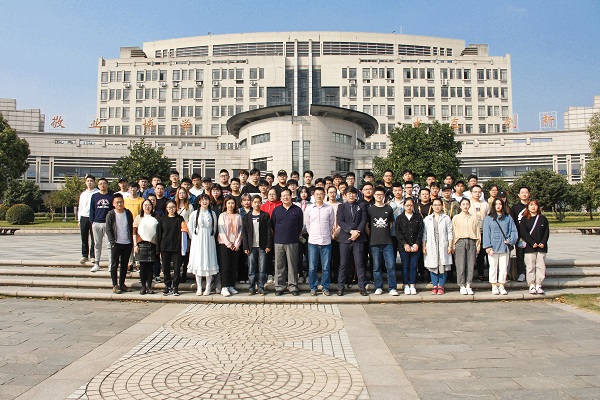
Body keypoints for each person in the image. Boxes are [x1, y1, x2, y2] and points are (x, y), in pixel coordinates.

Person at [336, 186, 368, 296]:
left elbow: (364, 220)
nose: (351, 195)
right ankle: (340, 287)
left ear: (356, 195)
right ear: (344, 195)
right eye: (349, 193)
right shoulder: (341, 206)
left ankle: (362, 287)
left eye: (353, 193)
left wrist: (357, 232)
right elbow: (340, 221)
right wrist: (351, 231)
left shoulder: (361, 205)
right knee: (343, 263)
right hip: (345, 239)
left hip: (359, 238)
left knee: (359, 263)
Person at [271, 189, 304, 296]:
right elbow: (273, 225)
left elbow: (300, 225)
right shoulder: (276, 210)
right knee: (279, 265)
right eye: (283, 196)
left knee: (292, 265)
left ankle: (293, 286)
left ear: (291, 197)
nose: (285, 197)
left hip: (292, 241)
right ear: (280, 198)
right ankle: (279, 287)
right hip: (279, 241)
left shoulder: (297, 210)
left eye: (287, 195)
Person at [304, 187, 335, 296]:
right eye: (317, 194)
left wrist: (326, 233)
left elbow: (331, 223)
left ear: (324, 195)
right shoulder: (309, 209)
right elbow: (307, 224)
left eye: (321, 194)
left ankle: (325, 287)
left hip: (326, 241)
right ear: (313, 196)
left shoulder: (329, 208)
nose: (319, 196)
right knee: (312, 267)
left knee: (326, 267)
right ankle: (313, 287)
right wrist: (313, 234)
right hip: (313, 241)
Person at [483, 198, 518, 295]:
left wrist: (510, 240)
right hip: (493, 247)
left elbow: (513, 230)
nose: (498, 206)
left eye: (500, 204)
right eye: (496, 204)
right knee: (493, 267)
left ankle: (502, 284)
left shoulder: (508, 217)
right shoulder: (488, 218)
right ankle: (494, 285)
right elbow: (486, 233)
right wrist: (487, 246)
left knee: (503, 267)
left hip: (504, 246)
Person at [367, 186, 397, 296]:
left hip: (387, 241)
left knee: (391, 266)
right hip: (374, 242)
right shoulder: (370, 209)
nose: (379, 196)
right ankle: (378, 287)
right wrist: (372, 235)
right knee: (376, 267)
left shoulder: (389, 209)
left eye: (381, 194)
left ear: (384, 196)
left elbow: (390, 224)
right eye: (377, 194)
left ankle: (392, 288)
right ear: (374, 195)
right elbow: (367, 225)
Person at [187, 194, 219, 296]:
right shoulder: (194, 214)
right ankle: (199, 286)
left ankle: (208, 286)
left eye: (206, 200)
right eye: (203, 200)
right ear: (199, 202)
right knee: (198, 262)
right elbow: (191, 228)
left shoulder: (212, 213)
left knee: (208, 262)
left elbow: (214, 228)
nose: (205, 202)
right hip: (198, 240)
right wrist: (195, 239)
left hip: (209, 240)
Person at [242, 195, 273, 295]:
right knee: (251, 268)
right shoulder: (246, 217)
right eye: (255, 202)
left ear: (261, 203)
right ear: (251, 203)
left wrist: (268, 245)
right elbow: (244, 233)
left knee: (262, 268)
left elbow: (269, 232)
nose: (257, 204)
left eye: (258, 202)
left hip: (262, 246)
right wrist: (245, 246)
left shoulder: (265, 216)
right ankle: (251, 288)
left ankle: (261, 287)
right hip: (251, 246)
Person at [422, 198, 453, 295]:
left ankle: (441, 286)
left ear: (442, 206)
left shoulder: (446, 218)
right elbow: (424, 234)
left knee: (442, 265)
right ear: (432, 206)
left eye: (439, 205)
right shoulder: (427, 219)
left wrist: (450, 246)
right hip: (431, 244)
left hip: (443, 244)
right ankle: (435, 285)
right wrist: (424, 246)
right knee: (433, 265)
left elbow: (450, 232)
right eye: (435, 205)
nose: (437, 207)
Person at [105, 193, 133, 294]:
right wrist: (112, 241)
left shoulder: (128, 213)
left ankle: (122, 283)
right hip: (116, 243)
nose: (119, 204)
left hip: (127, 242)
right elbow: (108, 229)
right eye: (117, 202)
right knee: (114, 264)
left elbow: (131, 226)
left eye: (121, 202)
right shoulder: (111, 214)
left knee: (124, 265)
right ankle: (115, 284)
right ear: (113, 204)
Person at [519, 199, 549, 294]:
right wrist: (532, 242)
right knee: (530, 266)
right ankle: (531, 284)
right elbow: (523, 233)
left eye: (535, 205)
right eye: (531, 205)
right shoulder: (524, 219)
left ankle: (539, 284)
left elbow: (546, 232)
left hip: (541, 247)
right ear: (528, 207)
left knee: (541, 266)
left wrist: (543, 242)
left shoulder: (543, 219)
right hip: (529, 247)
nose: (533, 207)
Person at [452, 198, 481, 295]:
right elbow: (453, 232)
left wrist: (478, 245)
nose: (465, 206)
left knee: (470, 264)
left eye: (467, 204)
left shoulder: (473, 218)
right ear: (460, 206)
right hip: (460, 241)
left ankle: (468, 284)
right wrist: (452, 245)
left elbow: (477, 232)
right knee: (460, 264)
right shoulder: (456, 218)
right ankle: (461, 285)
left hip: (471, 241)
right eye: (463, 204)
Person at [157, 200, 185, 296]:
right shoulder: (162, 219)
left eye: (173, 207)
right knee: (166, 267)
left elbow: (183, 233)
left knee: (177, 268)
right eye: (169, 207)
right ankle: (167, 285)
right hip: (165, 247)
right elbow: (159, 234)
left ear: (176, 208)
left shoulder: (180, 218)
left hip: (177, 247)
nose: (171, 209)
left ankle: (175, 286)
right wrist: (158, 248)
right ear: (166, 208)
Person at [395, 197, 423, 295]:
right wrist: (405, 244)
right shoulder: (399, 218)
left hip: (415, 246)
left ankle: (412, 285)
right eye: (407, 205)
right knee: (405, 266)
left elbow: (420, 232)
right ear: (404, 206)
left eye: (411, 205)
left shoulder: (418, 217)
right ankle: (406, 284)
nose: (409, 207)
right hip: (404, 247)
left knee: (413, 266)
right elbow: (398, 233)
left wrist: (417, 243)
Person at [217, 196, 243, 297]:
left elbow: (240, 231)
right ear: (225, 204)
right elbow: (221, 231)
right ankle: (224, 286)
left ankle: (231, 285)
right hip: (224, 244)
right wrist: (228, 244)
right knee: (225, 265)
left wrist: (236, 243)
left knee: (233, 265)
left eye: (232, 203)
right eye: (228, 203)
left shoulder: (238, 216)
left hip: (235, 244)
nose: (230, 205)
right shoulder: (222, 216)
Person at [133, 199, 158, 294]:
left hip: (153, 244)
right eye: (145, 205)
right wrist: (135, 245)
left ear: (152, 206)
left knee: (151, 267)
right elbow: (134, 232)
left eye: (149, 205)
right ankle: (143, 286)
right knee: (143, 267)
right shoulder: (138, 217)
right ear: (142, 207)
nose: (147, 207)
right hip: (141, 244)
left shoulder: (156, 217)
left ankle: (149, 286)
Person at [89, 178, 113, 273]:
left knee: (109, 244)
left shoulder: (111, 196)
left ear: (107, 185)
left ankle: (111, 264)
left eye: (104, 183)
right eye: (100, 184)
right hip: (97, 223)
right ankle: (96, 264)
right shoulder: (94, 196)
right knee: (97, 244)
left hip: (108, 224)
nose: (102, 185)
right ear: (98, 185)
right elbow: (92, 210)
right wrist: (92, 221)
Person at [468, 184, 490, 281]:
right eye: (475, 192)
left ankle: (481, 274)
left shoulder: (485, 204)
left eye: (479, 192)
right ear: (471, 193)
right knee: (471, 254)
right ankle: (470, 274)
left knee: (481, 253)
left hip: (483, 231)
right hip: (471, 232)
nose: (477, 194)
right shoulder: (467, 203)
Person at [77, 175, 99, 264]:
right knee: (84, 237)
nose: (89, 182)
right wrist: (79, 219)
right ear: (85, 182)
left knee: (94, 238)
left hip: (94, 218)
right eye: (88, 181)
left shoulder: (97, 193)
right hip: (84, 217)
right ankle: (84, 255)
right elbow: (80, 207)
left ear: (94, 182)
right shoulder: (83, 194)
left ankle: (93, 256)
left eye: (91, 181)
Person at [511, 186, 531, 282]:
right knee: (520, 255)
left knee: (530, 255)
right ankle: (521, 273)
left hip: (531, 235)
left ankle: (530, 273)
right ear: (519, 195)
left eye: (526, 192)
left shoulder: (532, 206)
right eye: (522, 192)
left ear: (529, 194)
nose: (524, 194)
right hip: (519, 236)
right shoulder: (515, 208)